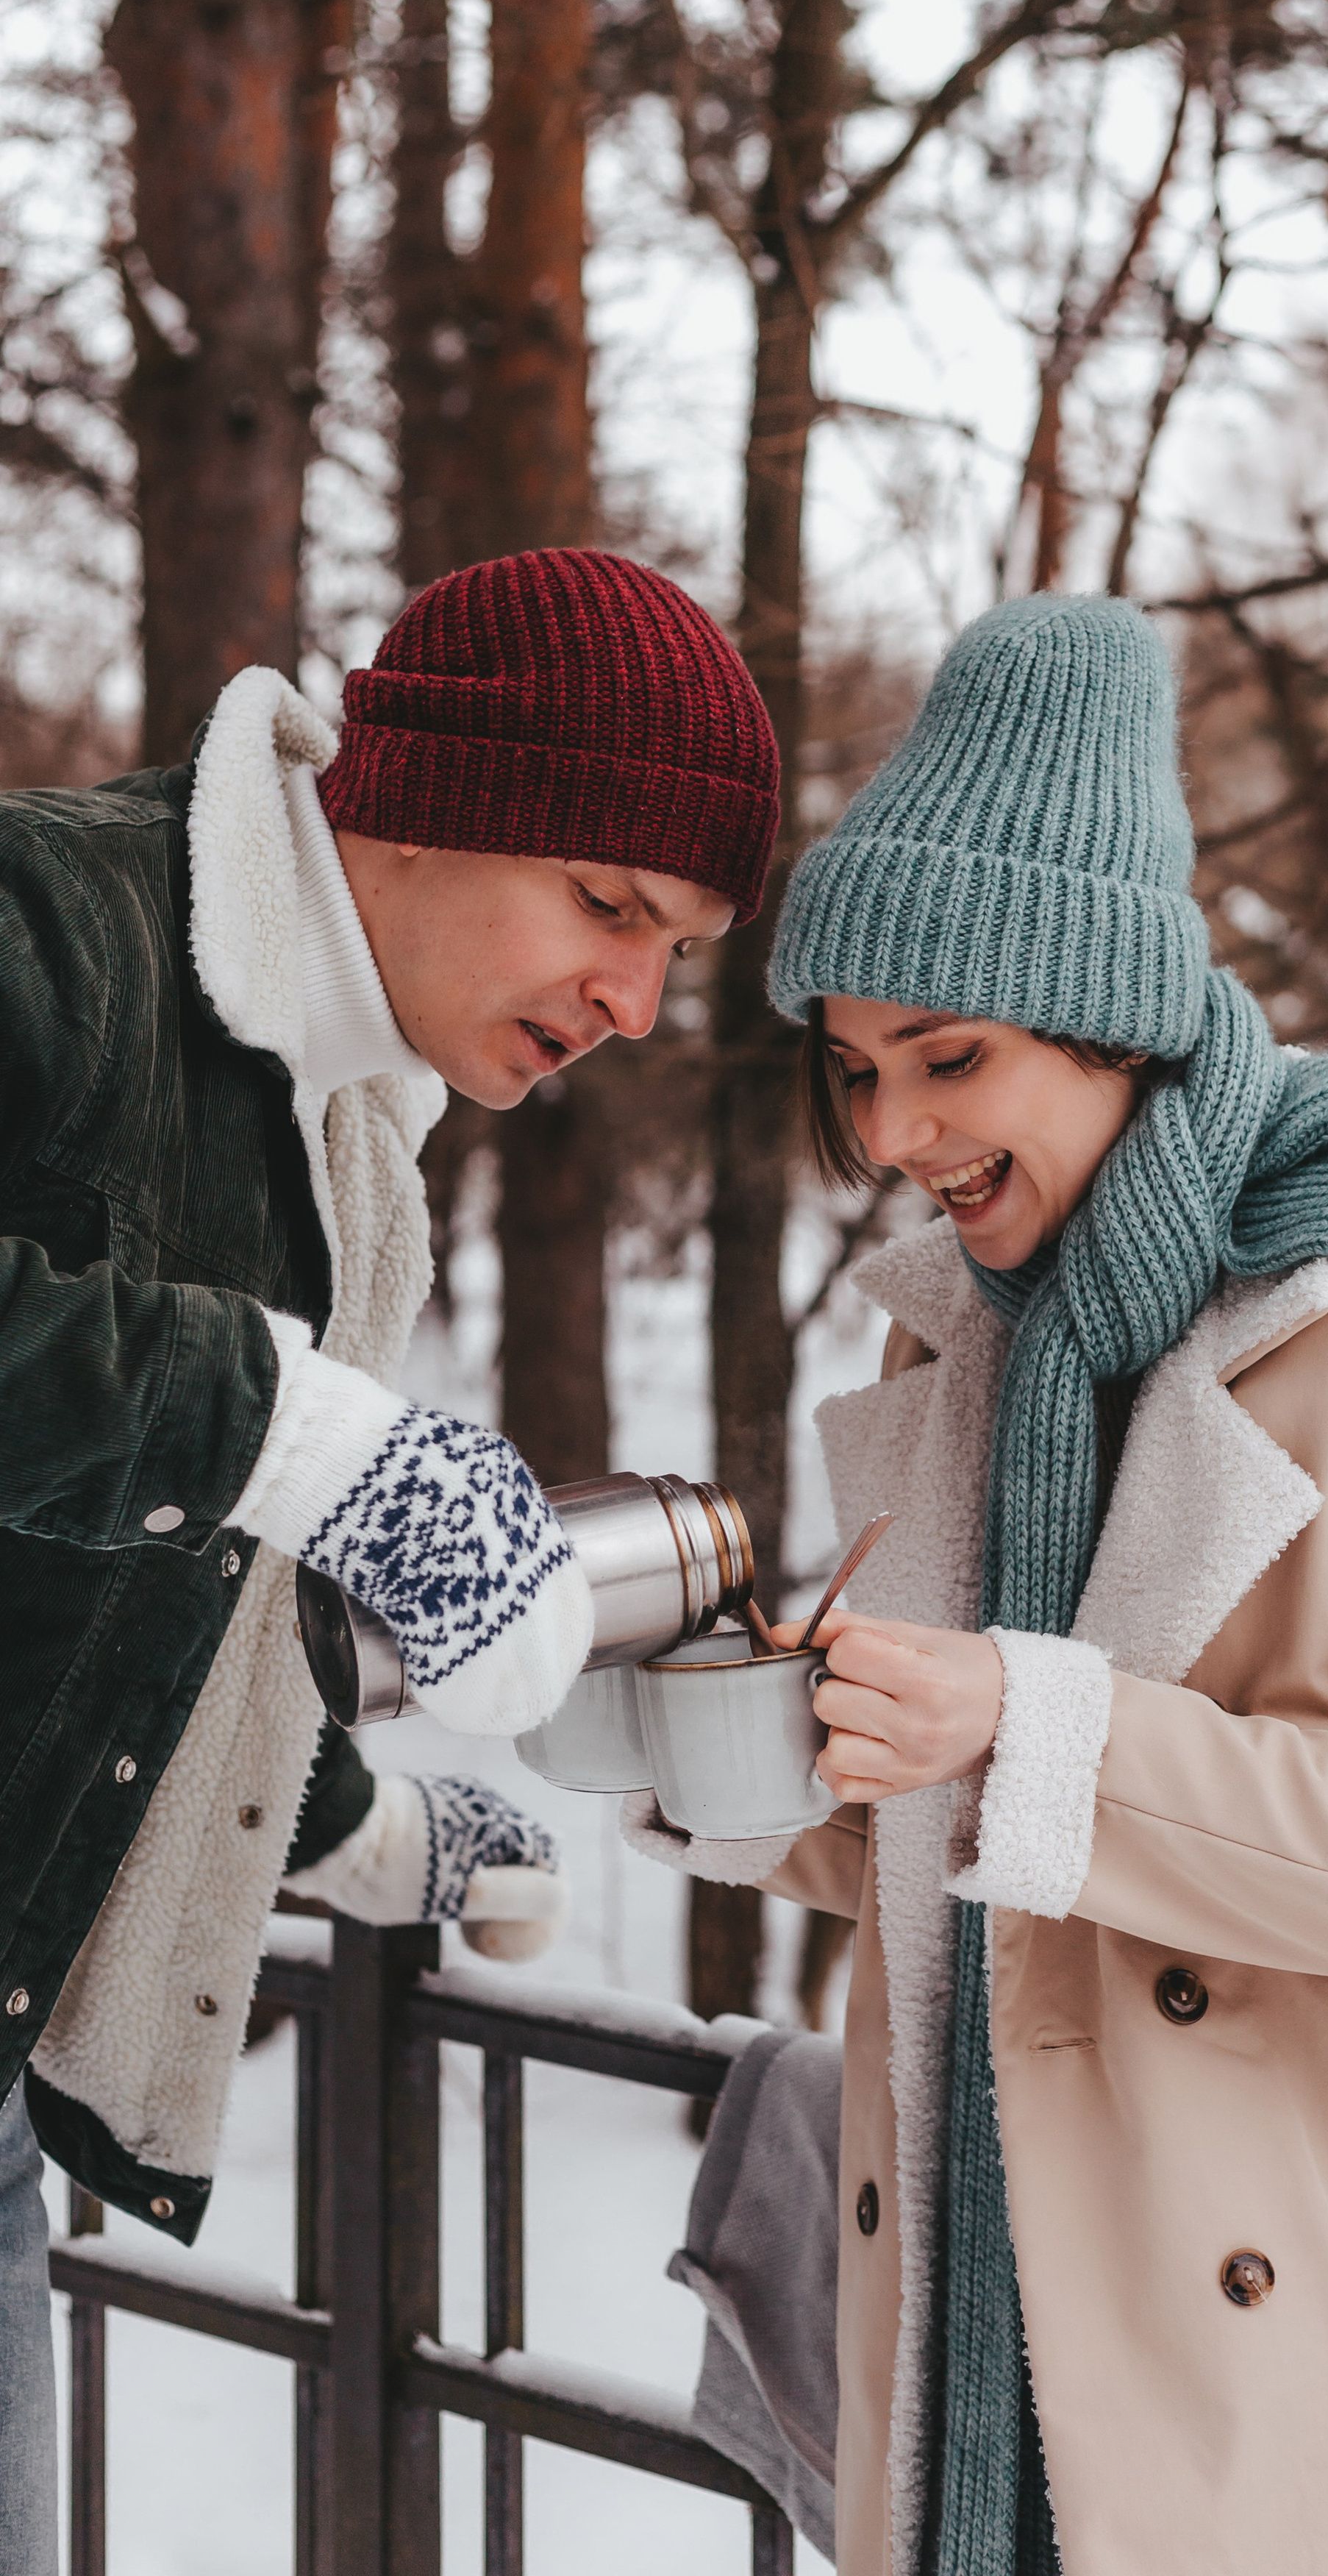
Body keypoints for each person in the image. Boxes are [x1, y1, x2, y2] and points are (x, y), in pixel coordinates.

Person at [628, 594, 1328, 2576]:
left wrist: (1025, 1731)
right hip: (997, 2360)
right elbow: (968, 1860)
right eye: (859, 1074)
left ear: (1113, 1014)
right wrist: (724, 1745)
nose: (894, 1137)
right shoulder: (945, 1343)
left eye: (947, 1059)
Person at [0, 546, 779, 2573]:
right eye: (612, 907)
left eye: (679, 944)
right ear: (409, 796)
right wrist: (301, 1433)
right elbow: (233, 1451)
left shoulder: (347, 1126)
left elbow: (116, 1578)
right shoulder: (51, 927)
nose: (636, 998)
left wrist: (318, 1819)